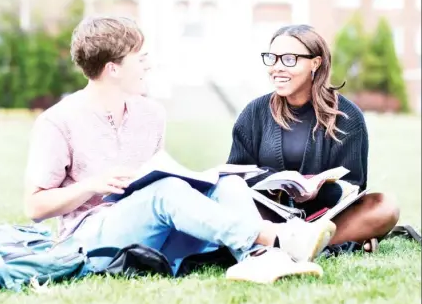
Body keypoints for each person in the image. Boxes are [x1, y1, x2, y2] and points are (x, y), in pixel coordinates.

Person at [24, 16, 336, 284]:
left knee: (227, 184)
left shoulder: (151, 114)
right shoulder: (58, 121)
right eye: (140, 58)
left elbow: (153, 181)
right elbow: (35, 207)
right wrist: (92, 185)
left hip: (152, 235)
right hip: (91, 240)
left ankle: (256, 258)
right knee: (167, 191)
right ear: (113, 69)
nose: (148, 65)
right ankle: (276, 238)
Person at [227, 24, 400, 252]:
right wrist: (275, 182)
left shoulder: (348, 117)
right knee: (227, 202)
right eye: (272, 58)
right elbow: (234, 176)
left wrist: (316, 188)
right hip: (270, 216)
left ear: (315, 63)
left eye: (289, 59)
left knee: (385, 207)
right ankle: (319, 244)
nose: (277, 68)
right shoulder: (254, 113)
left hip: (327, 217)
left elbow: (354, 187)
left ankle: (300, 243)